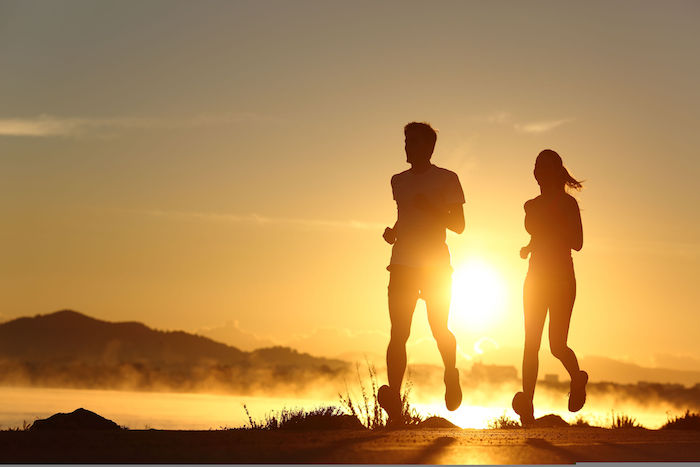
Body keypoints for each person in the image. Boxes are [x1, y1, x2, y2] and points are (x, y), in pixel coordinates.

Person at [378, 122, 465, 424]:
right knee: (398, 333)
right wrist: (395, 231)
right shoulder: (397, 181)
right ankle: (395, 413)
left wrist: (432, 209)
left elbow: (459, 226)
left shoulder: (447, 179)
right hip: (401, 264)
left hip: (435, 267)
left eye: (412, 142)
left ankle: (451, 375)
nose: (406, 146)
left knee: (439, 329)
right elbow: (406, 217)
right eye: (405, 141)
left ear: (428, 147)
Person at [512, 149, 588, 427]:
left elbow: (577, 243)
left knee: (556, 345)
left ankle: (577, 379)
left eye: (542, 167)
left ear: (554, 172)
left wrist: (550, 225)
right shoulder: (531, 205)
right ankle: (527, 411)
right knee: (530, 343)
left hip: (562, 279)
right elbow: (538, 237)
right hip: (534, 279)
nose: (537, 172)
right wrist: (528, 247)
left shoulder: (568, 204)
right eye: (535, 167)